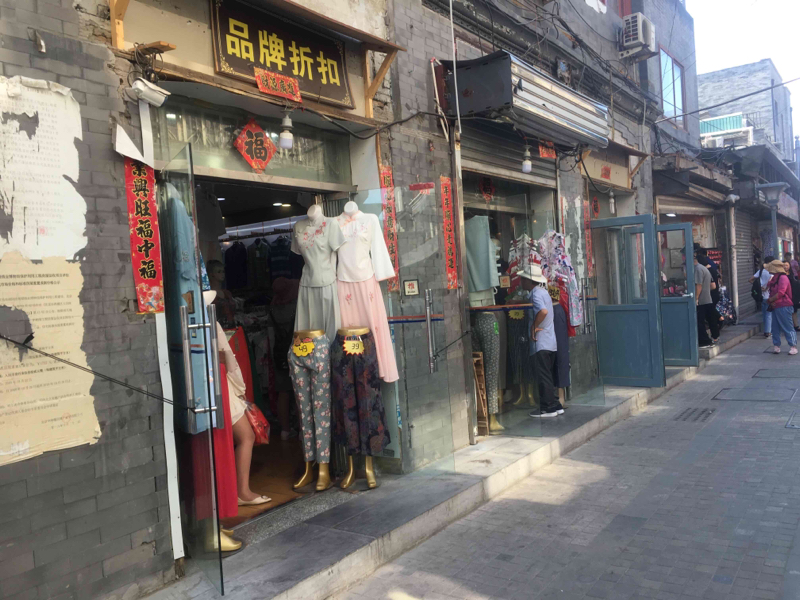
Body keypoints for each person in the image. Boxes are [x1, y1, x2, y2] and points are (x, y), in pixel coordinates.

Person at [519, 265, 563, 418]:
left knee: (543, 376)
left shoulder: (536, 294)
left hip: (541, 342)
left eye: (523, 279)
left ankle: (547, 408)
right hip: (549, 341)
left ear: (529, 280)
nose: (521, 281)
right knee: (547, 375)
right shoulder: (543, 292)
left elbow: (543, 311)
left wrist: (534, 326)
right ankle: (555, 404)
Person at [765, 260, 798, 355]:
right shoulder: (774, 278)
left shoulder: (783, 278)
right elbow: (770, 289)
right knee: (775, 328)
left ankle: (793, 346)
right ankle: (776, 345)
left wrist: (771, 300)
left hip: (784, 305)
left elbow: (781, 292)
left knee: (788, 327)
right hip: (776, 306)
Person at [694, 253, 719, 348]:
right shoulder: (705, 269)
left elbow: (698, 285)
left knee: (699, 321)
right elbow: (712, 285)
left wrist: (696, 298)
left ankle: (704, 340)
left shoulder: (698, 269)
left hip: (701, 299)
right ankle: (713, 337)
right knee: (710, 318)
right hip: (707, 298)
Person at [207, 259, 237, 329]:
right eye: (219, 272)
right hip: (217, 329)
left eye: (223, 271)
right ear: (211, 274)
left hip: (232, 328)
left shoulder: (227, 293)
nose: (222, 274)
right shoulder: (209, 295)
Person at [750, 255, 773, 339]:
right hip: (769, 296)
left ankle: (766, 330)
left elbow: (750, 280)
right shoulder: (772, 272)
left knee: (765, 314)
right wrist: (766, 288)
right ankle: (768, 332)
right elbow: (771, 283)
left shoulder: (760, 271)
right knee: (769, 314)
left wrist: (758, 287)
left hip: (761, 296)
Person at [783, 260, 800, 331]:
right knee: (787, 311)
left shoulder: (792, 274)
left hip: (793, 294)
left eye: (787, 265)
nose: (785, 267)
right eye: (784, 265)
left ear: (789, 266)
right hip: (785, 295)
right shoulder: (781, 275)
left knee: (794, 311)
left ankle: (796, 325)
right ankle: (788, 326)